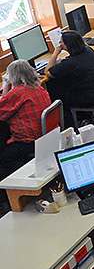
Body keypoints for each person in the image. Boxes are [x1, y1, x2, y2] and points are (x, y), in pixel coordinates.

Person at [0, 60, 51, 191]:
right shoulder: (38, 87)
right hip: (45, 137)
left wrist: (6, 83)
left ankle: (15, 189)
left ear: (14, 77)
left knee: (4, 159)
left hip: (27, 141)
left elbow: (2, 109)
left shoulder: (17, 93)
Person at [45, 30, 94, 128]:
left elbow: (47, 72)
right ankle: (85, 117)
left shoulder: (70, 63)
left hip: (89, 98)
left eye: (61, 42)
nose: (60, 44)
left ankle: (73, 123)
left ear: (68, 45)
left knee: (56, 94)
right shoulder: (89, 50)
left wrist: (55, 53)